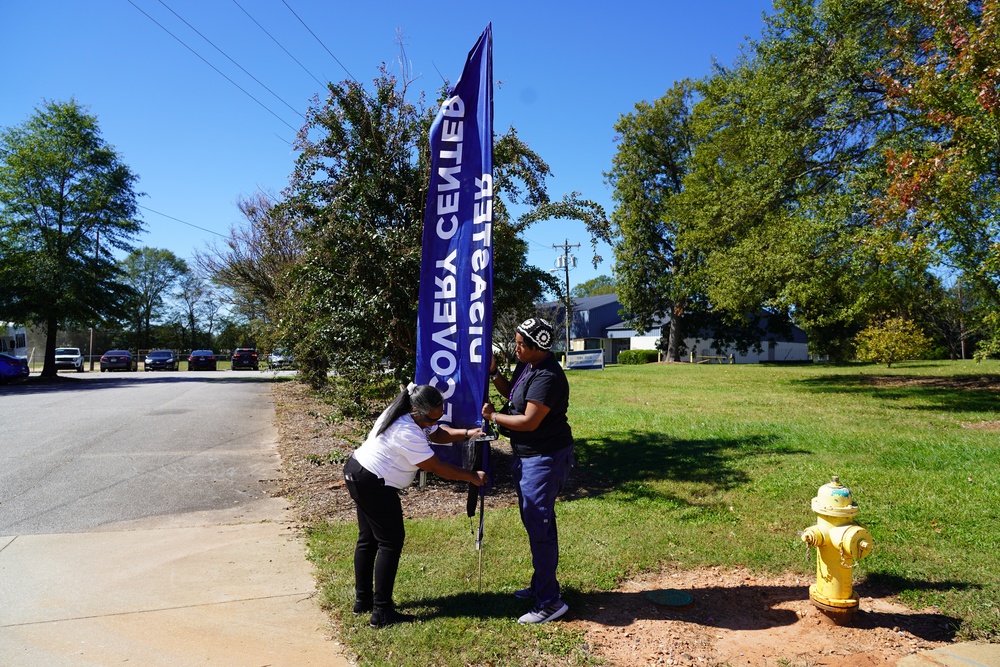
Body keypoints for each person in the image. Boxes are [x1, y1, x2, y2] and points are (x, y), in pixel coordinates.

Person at [345, 384, 488, 628]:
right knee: (390, 542)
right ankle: (381, 613)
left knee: (368, 539)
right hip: (374, 483)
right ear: (417, 412)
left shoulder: (404, 411)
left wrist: (467, 433)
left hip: (359, 471)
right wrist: (471, 475)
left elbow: (437, 433)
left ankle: (363, 601)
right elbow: (436, 467)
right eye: (432, 417)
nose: (435, 421)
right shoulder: (405, 431)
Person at [482, 317, 573, 624]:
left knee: (540, 526)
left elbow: (529, 421)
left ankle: (550, 602)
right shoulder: (529, 366)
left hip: (544, 458)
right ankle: (540, 586)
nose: (516, 348)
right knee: (538, 524)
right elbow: (514, 396)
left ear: (538, 348)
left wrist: (494, 417)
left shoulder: (548, 376)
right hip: (529, 457)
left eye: (521, 344)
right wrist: (494, 373)